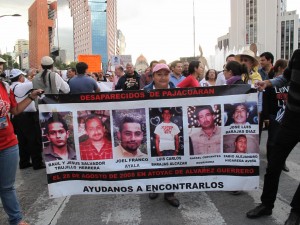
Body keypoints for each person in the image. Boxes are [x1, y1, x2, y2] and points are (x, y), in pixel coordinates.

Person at [246, 49, 300, 225]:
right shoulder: (298, 54)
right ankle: (266, 204)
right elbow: (285, 77)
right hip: (291, 118)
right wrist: (268, 83)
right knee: (274, 162)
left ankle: (296, 211)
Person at [1, 62, 43, 225]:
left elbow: (15, 110)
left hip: (8, 144)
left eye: (1, 65)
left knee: (7, 187)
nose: (0, 67)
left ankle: (16, 219)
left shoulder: (4, 87)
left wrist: (31, 97)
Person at [143, 63, 180, 207]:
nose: (163, 77)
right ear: (153, 76)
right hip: (152, 132)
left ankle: (169, 194)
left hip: (171, 132)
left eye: (166, 74)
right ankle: (154, 186)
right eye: (159, 74)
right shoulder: (144, 91)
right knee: (153, 162)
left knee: (170, 164)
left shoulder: (178, 91)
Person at [9, 69, 45, 170]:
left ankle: (24, 162)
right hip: (28, 116)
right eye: (23, 77)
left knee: (22, 140)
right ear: (20, 77)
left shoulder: (11, 86)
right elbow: (39, 83)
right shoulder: (22, 86)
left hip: (17, 116)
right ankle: (37, 163)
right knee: (34, 140)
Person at [263, 59, 289, 172]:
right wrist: (266, 117)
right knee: (273, 140)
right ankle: (271, 161)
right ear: (280, 68)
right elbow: (266, 101)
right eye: (286, 68)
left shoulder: (289, 82)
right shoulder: (271, 83)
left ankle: (282, 162)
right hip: (274, 115)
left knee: (284, 141)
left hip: (287, 115)